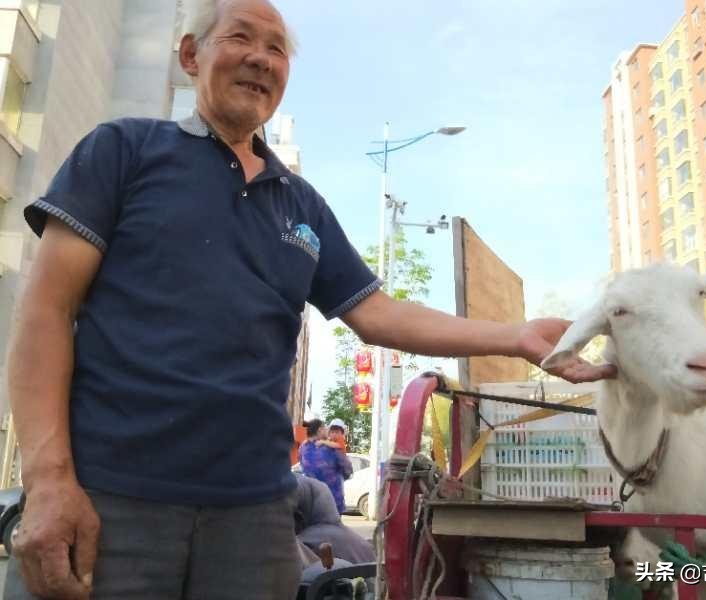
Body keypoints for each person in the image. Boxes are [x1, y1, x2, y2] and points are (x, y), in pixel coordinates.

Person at [4, 0, 615, 598]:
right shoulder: (123, 151)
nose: (261, 59)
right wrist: (51, 478)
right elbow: (46, 312)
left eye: (276, 49)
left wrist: (518, 336)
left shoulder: (302, 206)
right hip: (111, 498)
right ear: (191, 55)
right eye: (240, 38)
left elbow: (381, 314)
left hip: (254, 515)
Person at [299, 420, 353, 514]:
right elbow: (348, 470)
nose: (327, 430)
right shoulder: (331, 448)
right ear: (320, 430)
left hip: (311, 499)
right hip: (332, 500)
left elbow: (302, 465)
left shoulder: (302, 447)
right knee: (331, 528)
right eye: (325, 428)